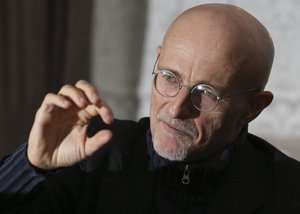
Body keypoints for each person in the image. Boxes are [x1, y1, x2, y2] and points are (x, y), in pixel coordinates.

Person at [1, 3, 300, 214]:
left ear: (253, 108)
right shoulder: (89, 154)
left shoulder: (289, 193)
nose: (177, 108)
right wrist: (32, 166)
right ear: (157, 61)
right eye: (170, 77)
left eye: (206, 93)